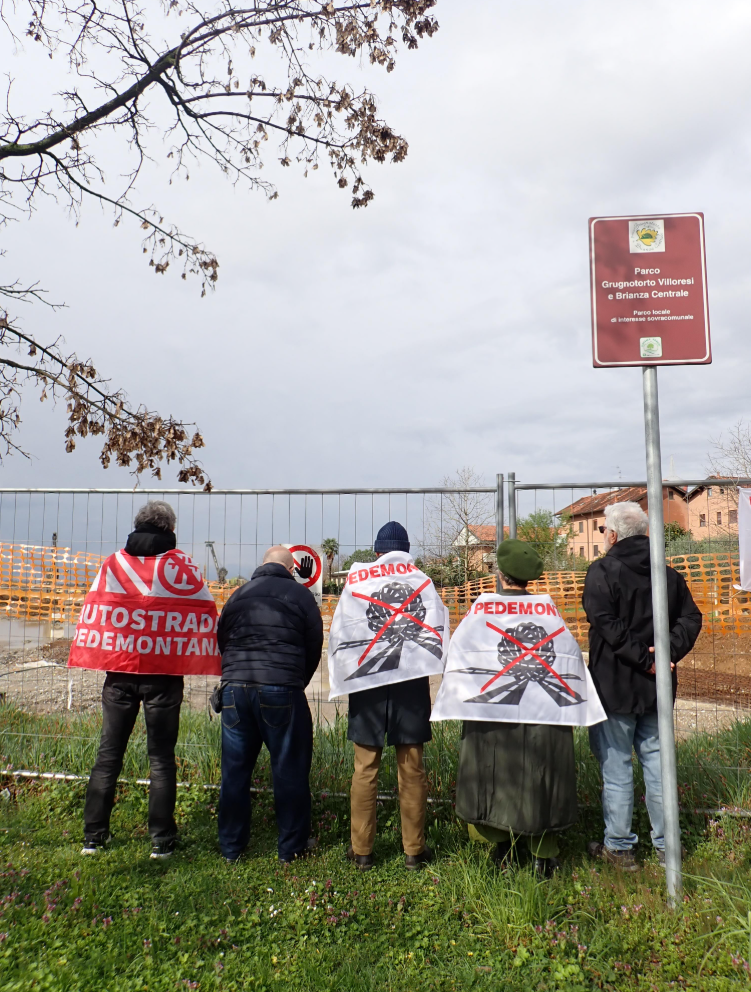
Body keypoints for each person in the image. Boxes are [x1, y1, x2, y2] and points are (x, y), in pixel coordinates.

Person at [70, 500, 221, 859]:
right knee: (161, 759)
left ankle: (94, 837)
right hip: (164, 678)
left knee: (108, 756)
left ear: (137, 526)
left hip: (118, 673)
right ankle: (162, 840)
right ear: (170, 530)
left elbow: (97, 609)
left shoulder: (113, 563)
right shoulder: (182, 567)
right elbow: (203, 613)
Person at [583, 501, 702, 869]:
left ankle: (620, 848)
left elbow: (608, 626)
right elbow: (691, 618)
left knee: (616, 767)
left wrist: (647, 659)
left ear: (614, 535)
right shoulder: (667, 575)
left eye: (603, 530)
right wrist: (666, 655)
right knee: (658, 767)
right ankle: (668, 846)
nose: (603, 536)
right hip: (657, 689)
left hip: (615, 689)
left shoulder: (601, 573)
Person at [454, 539, 581, 878]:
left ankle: (502, 847)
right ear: (529, 578)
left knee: (496, 770)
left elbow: (459, 655)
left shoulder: (482, 610)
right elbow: (570, 658)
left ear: (499, 572)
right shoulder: (548, 612)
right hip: (543, 713)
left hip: (495, 711)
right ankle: (543, 855)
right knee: (540, 773)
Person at [216, 545, 323, 863]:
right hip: (281, 688)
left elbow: (222, 638)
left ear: (261, 565)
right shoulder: (301, 596)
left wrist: (234, 674)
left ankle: (231, 849)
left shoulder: (237, 595)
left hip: (235, 689)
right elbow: (314, 644)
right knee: (289, 770)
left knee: (234, 772)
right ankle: (291, 848)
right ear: (291, 570)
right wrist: (295, 679)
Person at [343, 521, 438, 871]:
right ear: (407, 551)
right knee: (411, 769)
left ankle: (362, 851)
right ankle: (414, 851)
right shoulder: (423, 583)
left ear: (376, 552)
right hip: (410, 684)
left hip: (368, 681)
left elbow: (342, 632)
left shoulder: (358, 581)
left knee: (365, 767)